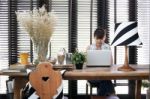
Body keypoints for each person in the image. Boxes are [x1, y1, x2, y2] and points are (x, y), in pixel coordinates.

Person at [86, 28, 119, 99]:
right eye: (98, 38)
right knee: (106, 80)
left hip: (104, 74)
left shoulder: (107, 47)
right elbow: (85, 64)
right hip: (92, 75)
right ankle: (112, 95)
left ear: (105, 37)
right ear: (94, 37)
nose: (99, 41)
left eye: (101, 38)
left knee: (104, 79)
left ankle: (99, 97)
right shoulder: (89, 48)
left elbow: (111, 63)